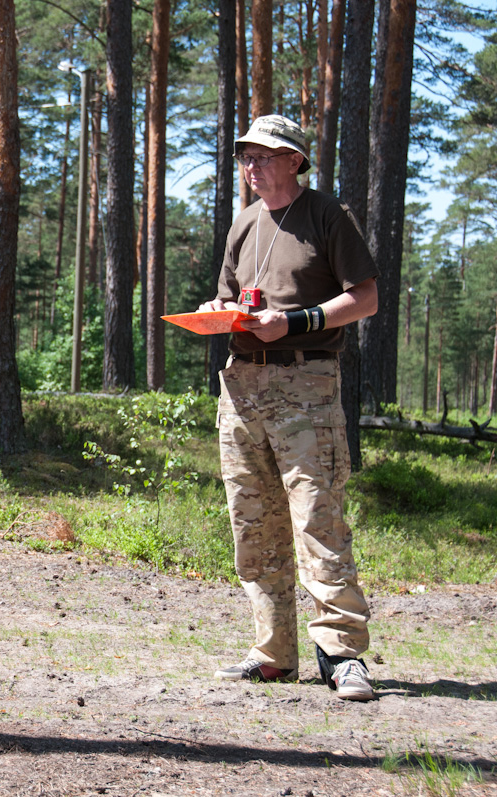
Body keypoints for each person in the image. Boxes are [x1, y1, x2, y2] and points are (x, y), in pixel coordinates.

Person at [197, 114, 379, 701]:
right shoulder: (244, 224)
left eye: (265, 155)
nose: (253, 166)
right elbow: (230, 297)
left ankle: (342, 655)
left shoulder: (327, 214)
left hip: (306, 386)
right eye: (246, 157)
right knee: (254, 524)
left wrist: (295, 321)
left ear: (295, 160)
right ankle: (273, 652)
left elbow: (366, 298)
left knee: (317, 517)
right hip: (243, 386)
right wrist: (215, 310)